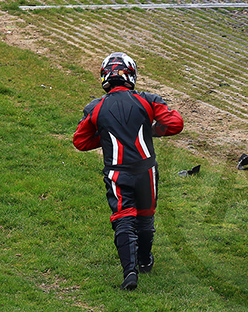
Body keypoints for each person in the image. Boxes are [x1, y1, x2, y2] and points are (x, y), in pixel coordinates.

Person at [73, 52, 184, 290]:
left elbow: (80, 142)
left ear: (104, 77)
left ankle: (129, 272)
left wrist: (106, 138)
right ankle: (145, 261)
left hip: (116, 172)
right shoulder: (148, 99)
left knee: (122, 218)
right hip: (146, 170)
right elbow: (175, 124)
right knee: (145, 217)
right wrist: (151, 131)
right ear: (131, 75)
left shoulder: (95, 107)